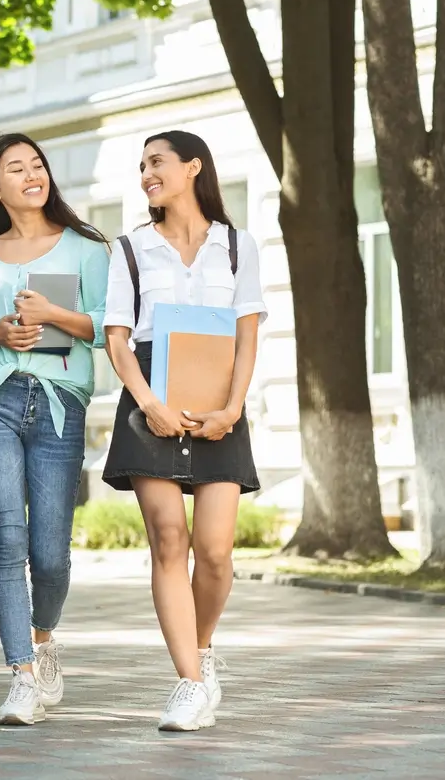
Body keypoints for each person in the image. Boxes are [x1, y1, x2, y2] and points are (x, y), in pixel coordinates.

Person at [101, 130, 266, 732]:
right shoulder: (131, 248)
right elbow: (117, 337)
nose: (147, 173)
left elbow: (248, 333)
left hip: (221, 399)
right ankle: (189, 683)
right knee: (170, 538)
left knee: (216, 553)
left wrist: (233, 407)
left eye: (157, 162)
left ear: (194, 166)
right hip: (150, 400)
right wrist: (148, 404)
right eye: (141, 165)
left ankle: (201, 649)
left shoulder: (238, 246)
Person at [0, 134, 109, 725]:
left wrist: (51, 316)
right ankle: (19, 674)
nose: (31, 174)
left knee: (51, 555)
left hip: (60, 402)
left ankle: (43, 641)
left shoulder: (87, 249)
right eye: (16, 168)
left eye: (36, 164)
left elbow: (105, 328)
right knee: (6, 540)